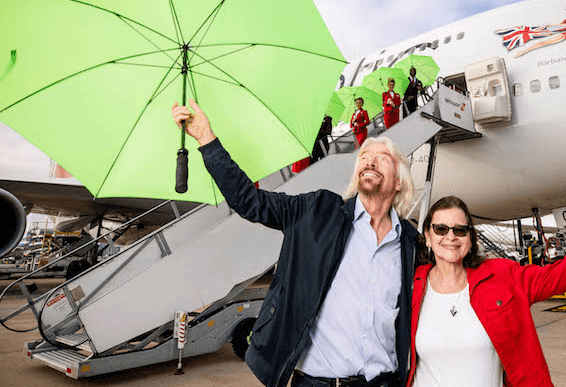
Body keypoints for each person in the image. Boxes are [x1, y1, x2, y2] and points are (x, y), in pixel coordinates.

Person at [171, 99, 419, 387]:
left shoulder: (410, 244)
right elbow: (251, 202)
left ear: (399, 181)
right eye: (364, 156)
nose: (370, 160)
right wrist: (206, 138)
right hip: (318, 382)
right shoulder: (318, 212)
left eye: (383, 158)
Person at [406, 194, 566, 387]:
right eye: (441, 229)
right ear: (427, 236)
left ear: (470, 240)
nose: (451, 236)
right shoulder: (412, 286)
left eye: (460, 230)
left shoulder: (503, 276)